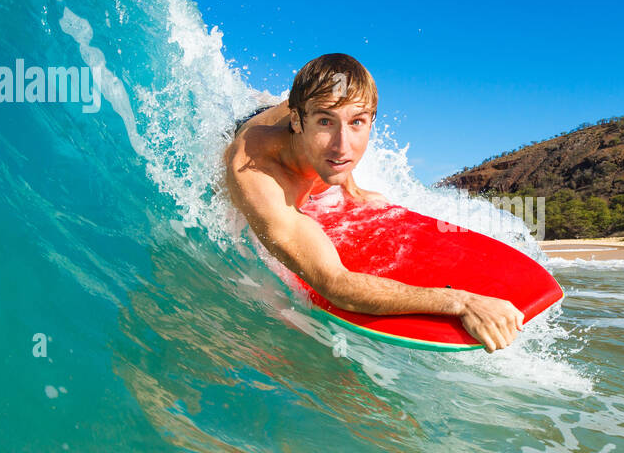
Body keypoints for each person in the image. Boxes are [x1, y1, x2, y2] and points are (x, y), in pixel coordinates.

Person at [223, 53, 524, 352]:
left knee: (333, 139)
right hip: (252, 128)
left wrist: (353, 190)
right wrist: (461, 302)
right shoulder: (257, 169)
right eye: (325, 121)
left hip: (292, 117)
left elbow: (339, 149)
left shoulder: (331, 140)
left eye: (358, 122)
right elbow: (334, 284)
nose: (343, 145)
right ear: (298, 122)